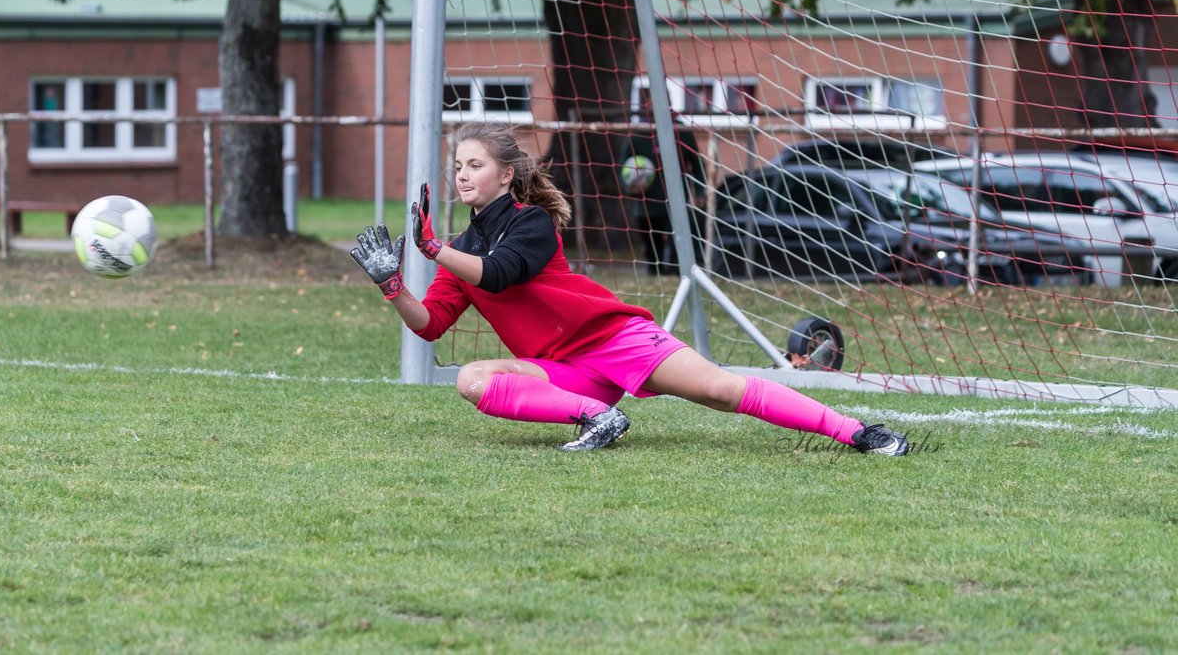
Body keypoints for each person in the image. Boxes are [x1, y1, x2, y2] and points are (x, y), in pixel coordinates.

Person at [349, 121, 909, 455]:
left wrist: (431, 251)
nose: (463, 175)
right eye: (457, 166)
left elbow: (499, 273)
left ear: (505, 175)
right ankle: (598, 417)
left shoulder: (531, 222)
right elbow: (431, 325)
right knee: (472, 380)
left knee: (719, 390)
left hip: (614, 339)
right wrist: (393, 285)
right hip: (565, 372)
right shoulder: (457, 251)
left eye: (474, 165)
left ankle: (858, 432)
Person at [619, 107, 706, 275]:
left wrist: (701, 191)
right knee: (652, 243)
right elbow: (623, 166)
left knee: (678, 239)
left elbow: (697, 164)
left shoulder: (682, 132)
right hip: (646, 202)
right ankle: (655, 272)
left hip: (676, 200)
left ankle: (677, 273)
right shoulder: (638, 134)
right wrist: (630, 187)